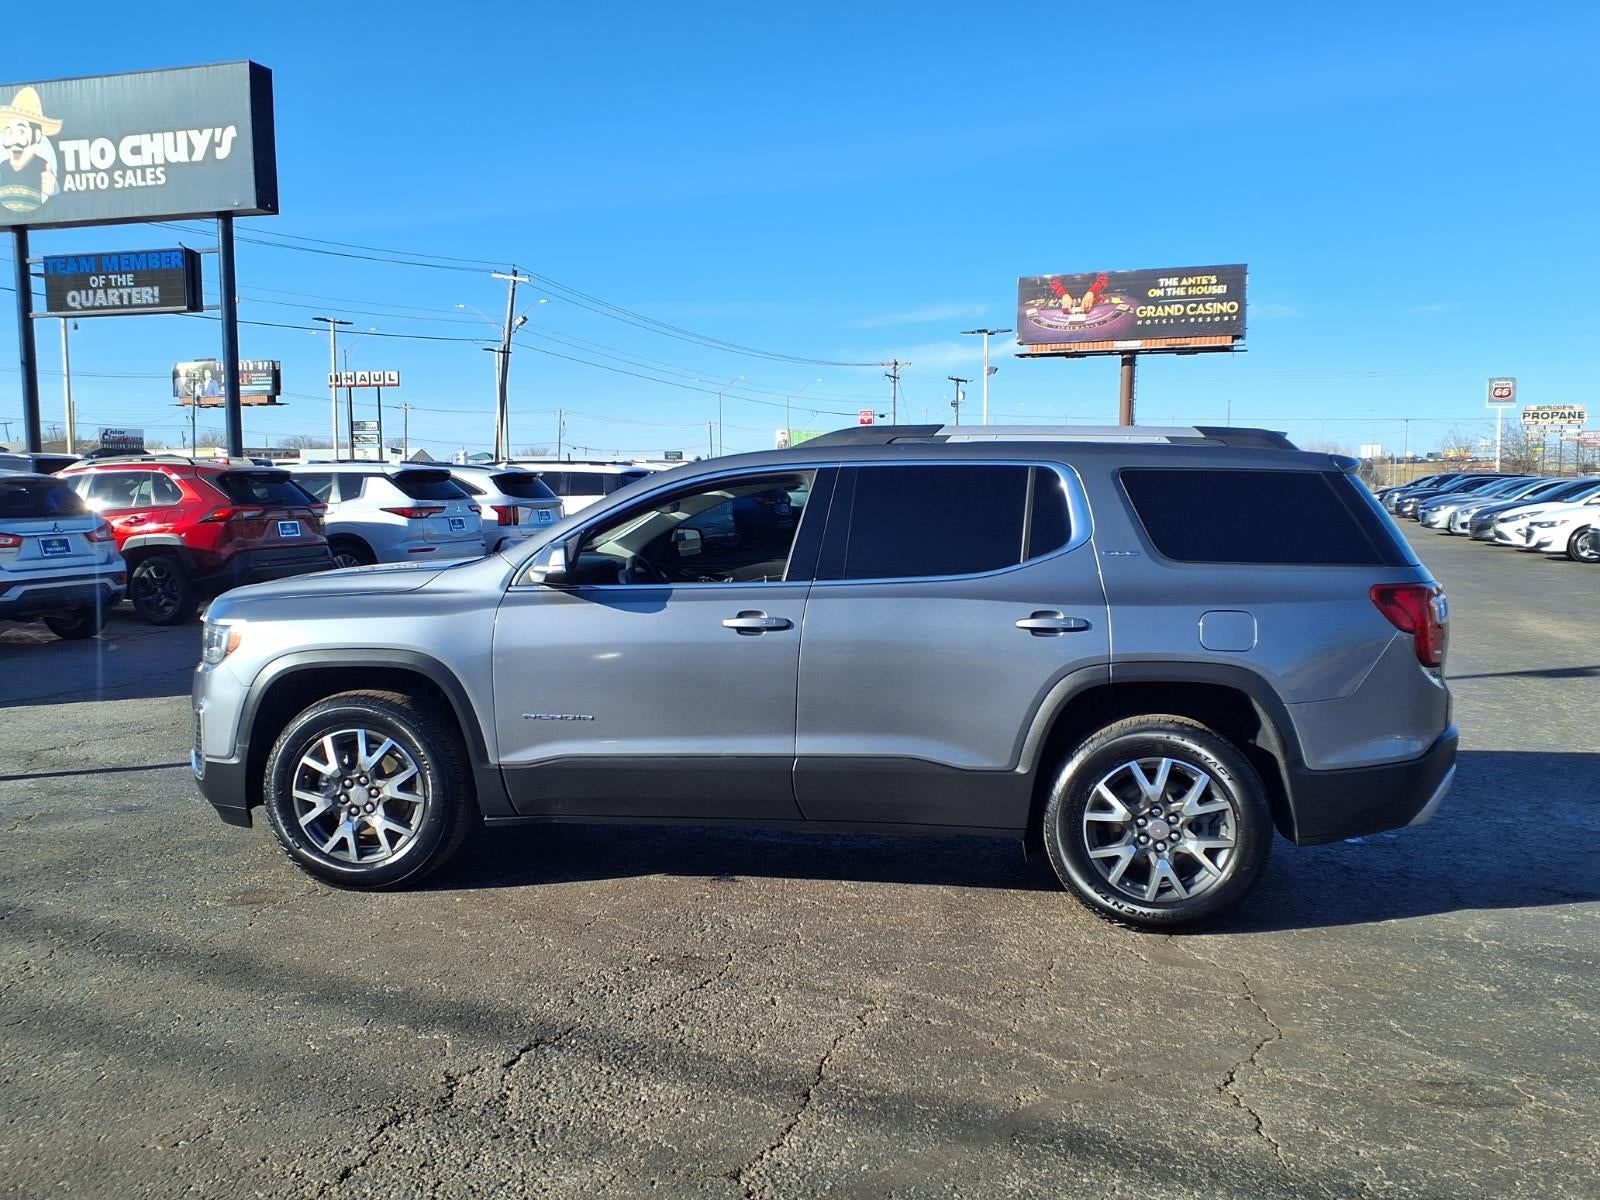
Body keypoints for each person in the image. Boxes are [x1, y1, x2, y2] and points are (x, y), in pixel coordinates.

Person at [0, 87, 61, 214]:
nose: (13, 140)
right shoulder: (3, 167)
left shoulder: (43, 166)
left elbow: (57, 193)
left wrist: (53, 189)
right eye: (9, 131)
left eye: (21, 131)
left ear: (37, 136)